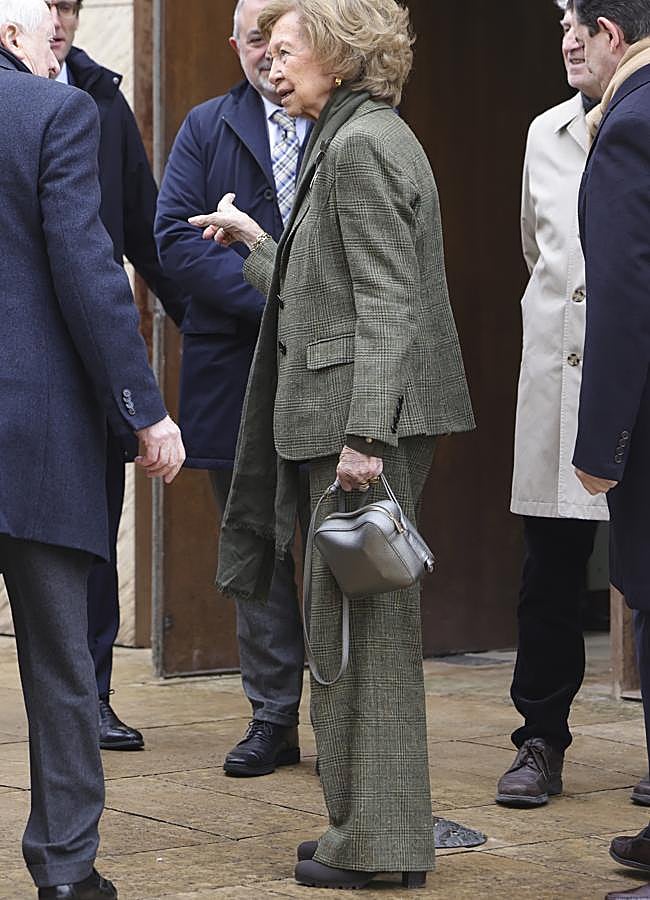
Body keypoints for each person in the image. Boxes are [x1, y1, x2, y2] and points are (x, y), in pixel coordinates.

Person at [190, 0, 474, 888]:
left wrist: (362, 437)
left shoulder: (361, 146)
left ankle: (380, 844)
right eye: (264, 53)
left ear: (342, 52)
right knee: (349, 637)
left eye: (287, 50)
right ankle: (364, 825)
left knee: (364, 642)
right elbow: (331, 291)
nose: (271, 67)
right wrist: (255, 243)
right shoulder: (352, 136)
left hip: (360, 429)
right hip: (354, 419)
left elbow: (389, 301)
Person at [0, 0, 185, 896]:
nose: (57, 51)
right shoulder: (56, 113)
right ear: (10, 36)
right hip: (36, 441)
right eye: (47, 35)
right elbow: (88, 269)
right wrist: (146, 412)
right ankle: (66, 872)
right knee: (61, 664)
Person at [155, 0, 311, 778]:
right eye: (255, 39)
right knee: (253, 541)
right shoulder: (206, 126)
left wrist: (307, 307)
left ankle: (347, 713)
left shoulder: (343, 122)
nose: (267, 55)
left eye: (281, 40)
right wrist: (278, 293)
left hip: (327, 366)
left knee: (335, 539)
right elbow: (174, 240)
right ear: (236, 45)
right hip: (234, 366)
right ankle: (272, 717)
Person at [47, 0, 187, 752]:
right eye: (49, 5)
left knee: (95, 537)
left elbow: (142, 224)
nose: (62, 19)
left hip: (94, 364)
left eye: (70, 5)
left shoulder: (101, 96)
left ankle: (93, 697)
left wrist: (201, 323)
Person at [496, 1, 608, 809]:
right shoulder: (545, 132)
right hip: (555, 383)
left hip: (625, 382)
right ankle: (539, 740)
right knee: (550, 574)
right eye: (561, 23)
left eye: (583, 22)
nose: (567, 38)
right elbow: (538, 252)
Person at [561, 0, 650, 893]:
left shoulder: (628, 126)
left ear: (612, 34)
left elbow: (624, 300)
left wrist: (603, 443)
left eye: (573, 23)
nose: (569, 42)